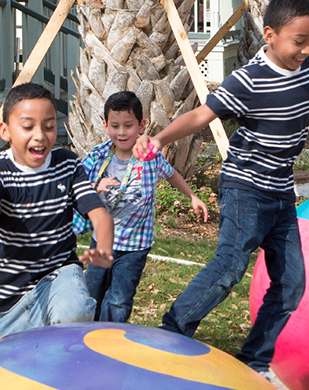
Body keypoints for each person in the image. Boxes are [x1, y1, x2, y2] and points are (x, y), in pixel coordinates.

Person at [132, 0, 309, 383]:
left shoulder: (307, 69)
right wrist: (160, 140)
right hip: (245, 189)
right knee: (230, 267)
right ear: (269, 34)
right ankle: (170, 334)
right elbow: (202, 114)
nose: (304, 50)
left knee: (292, 283)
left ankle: (254, 362)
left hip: (280, 193)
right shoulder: (248, 80)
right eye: (297, 41)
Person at [0, 83, 115, 337]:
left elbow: (99, 214)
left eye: (49, 126)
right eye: (28, 127)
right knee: (17, 373)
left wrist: (102, 246)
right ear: (5, 131)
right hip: (13, 301)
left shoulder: (67, 163)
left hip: (60, 274)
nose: (40, 135)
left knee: (74, 311)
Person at [76, 91, 209, 323]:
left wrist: (191, 196)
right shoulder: (98, 155)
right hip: (102, 241)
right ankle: (88, 339)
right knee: (92, 294)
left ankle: (110, 340)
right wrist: (95, 186)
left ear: (141, 125)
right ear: (105, 126)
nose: (121, 132)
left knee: (119, 299)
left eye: (128, 125)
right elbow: (75, 186)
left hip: (134, 246)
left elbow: (170, 174)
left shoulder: (150, 156)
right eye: (115, 126)